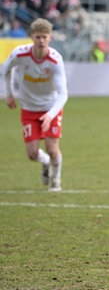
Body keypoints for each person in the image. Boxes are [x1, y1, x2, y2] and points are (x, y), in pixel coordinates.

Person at [2, 18, 68, 192]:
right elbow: (5, 70)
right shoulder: (19, 54)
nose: (41, 41)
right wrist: (9, 94)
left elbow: (63, 94)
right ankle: (46, 163)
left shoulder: (55, 60)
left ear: (50, 38)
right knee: (32, 154)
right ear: (32, 37)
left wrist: (50, 114)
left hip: (50, 107)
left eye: (44, 37)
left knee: (52, 149)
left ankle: (55, 179)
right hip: (29, 108)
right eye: (38, 37)